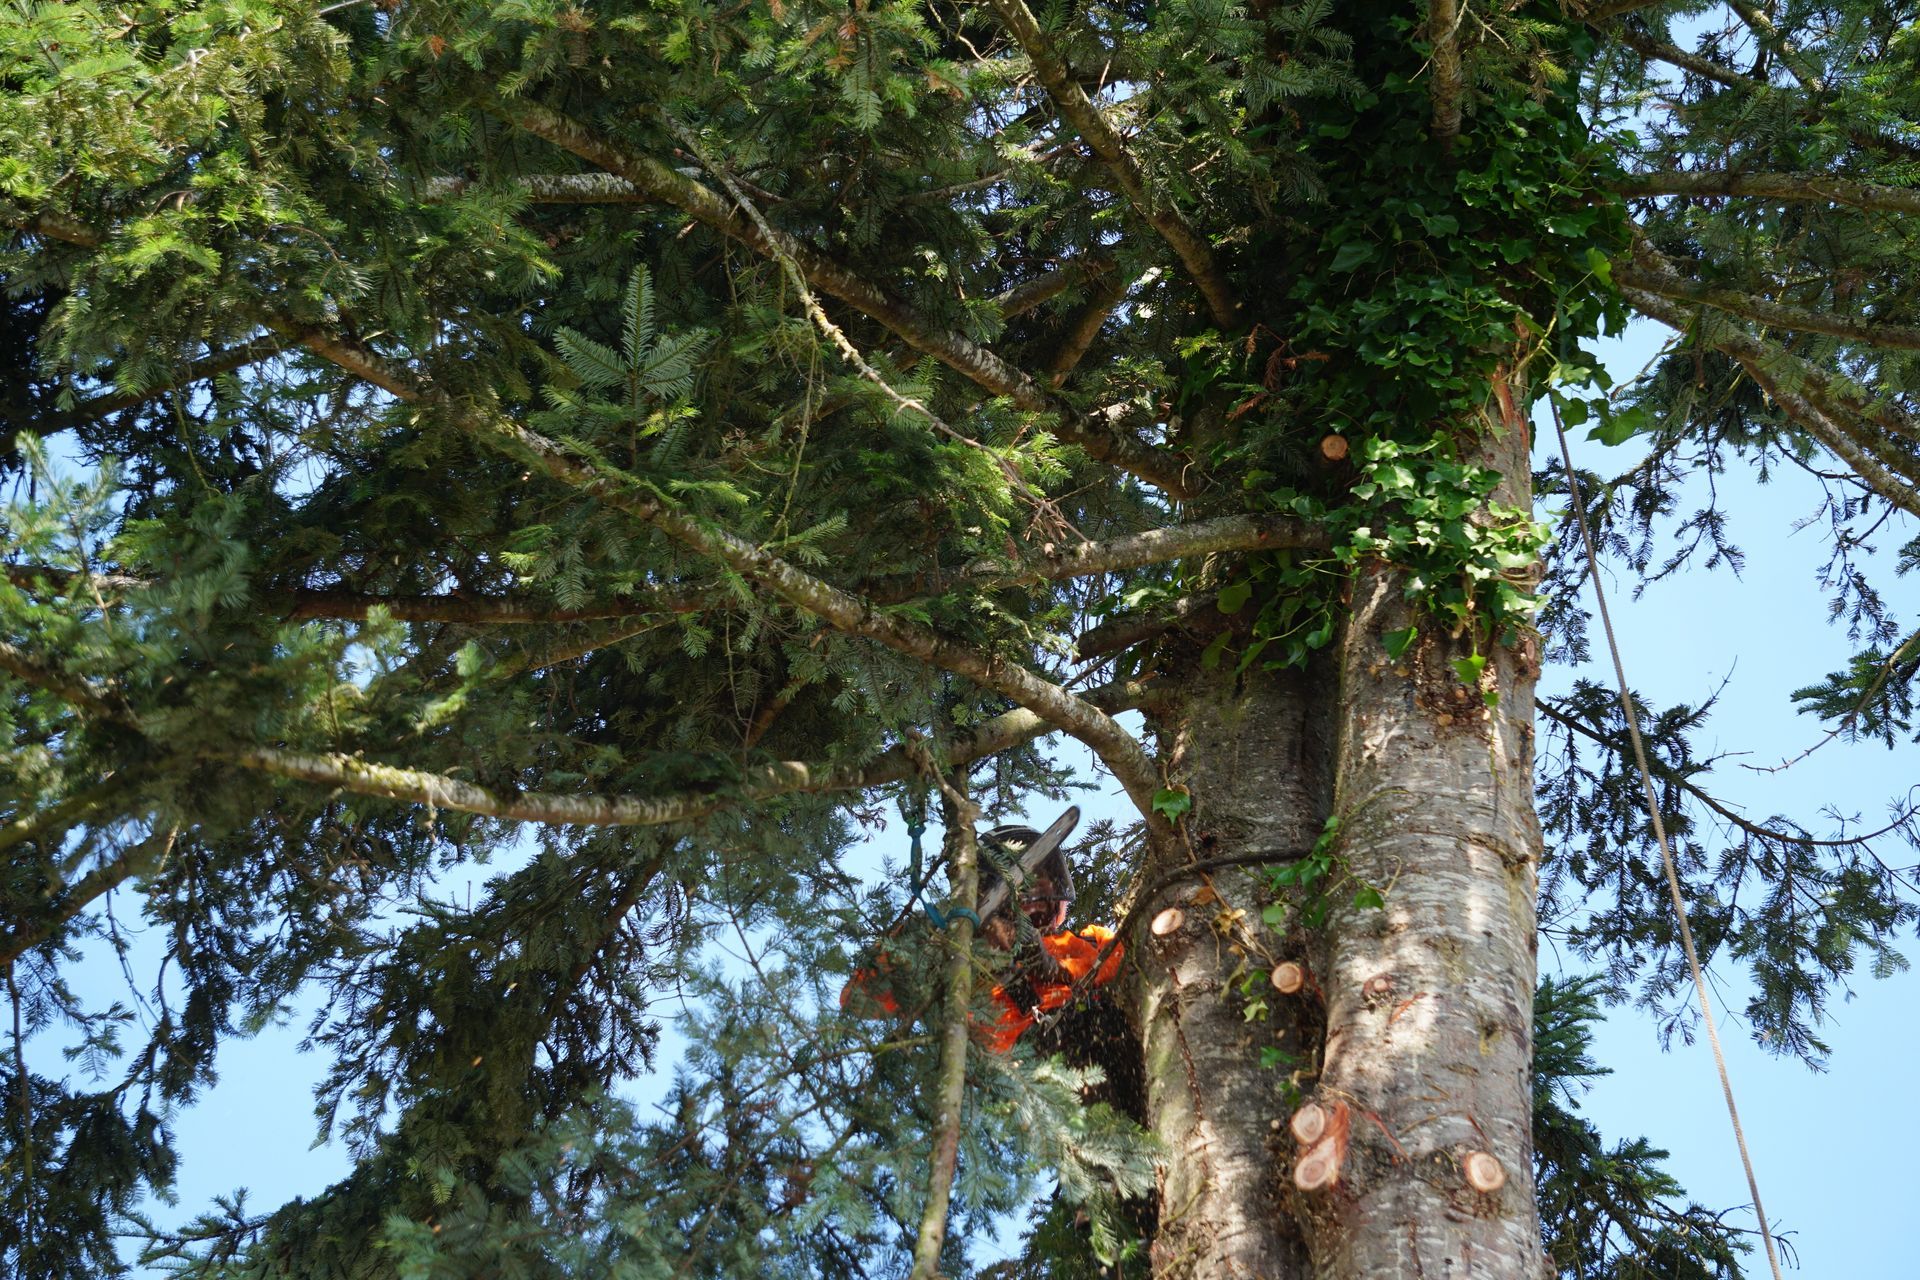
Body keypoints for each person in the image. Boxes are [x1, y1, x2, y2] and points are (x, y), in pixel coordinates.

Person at [840, 814, 1124, 1055]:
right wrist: (942, 928)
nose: (1038, 895)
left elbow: (1126, 962)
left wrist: (1052, 966)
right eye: (1027, 885)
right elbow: (859, 998)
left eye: (1044, 883)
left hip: (1101, 1039)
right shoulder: (959, 953)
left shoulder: (1086, 940)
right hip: (1022, 1071)